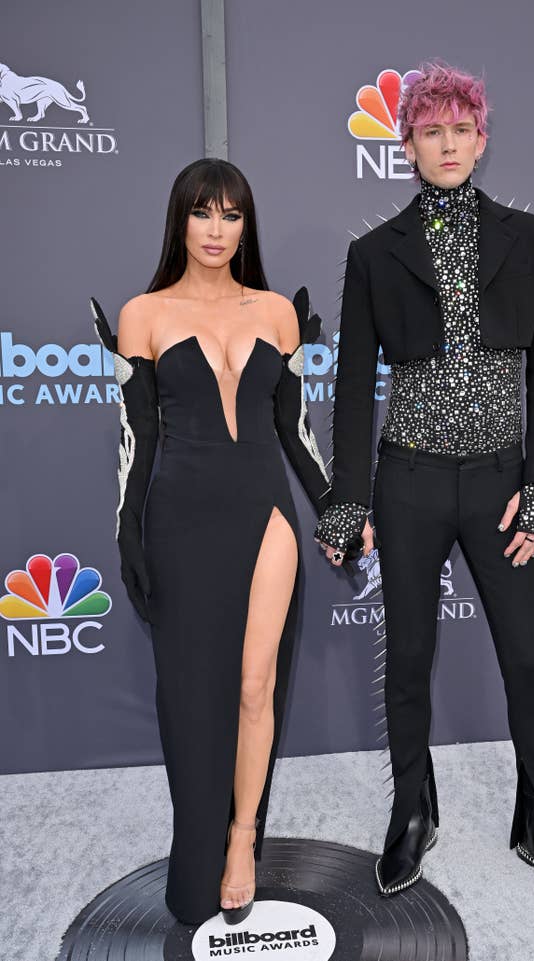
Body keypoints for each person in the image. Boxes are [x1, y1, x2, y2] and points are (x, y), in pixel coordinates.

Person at [315, 63, 534, 911]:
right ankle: (413, 809)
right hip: (406, 482)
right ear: (406, 145)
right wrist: (351, 499)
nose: (446, 143)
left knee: (524, 656)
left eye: (460, 128)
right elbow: (352, 388)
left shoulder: (530, 237)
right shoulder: (373, 254)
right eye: (429, 130)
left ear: (482, 138)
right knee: (407, 656)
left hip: (499, 487)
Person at [91, 158, 331, 925]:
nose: (217, 230)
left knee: (257, 687)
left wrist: (333, 507)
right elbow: (137, 437)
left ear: (245, 225)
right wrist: (128, 530)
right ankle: (197, 848)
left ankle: (241, 838)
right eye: (203, 213)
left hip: (266, 513)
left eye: (231, 215)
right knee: (194, 702)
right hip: (181, 520)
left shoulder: (277, 312)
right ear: (181, 221)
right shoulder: (144, 314)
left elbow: (295, 432)